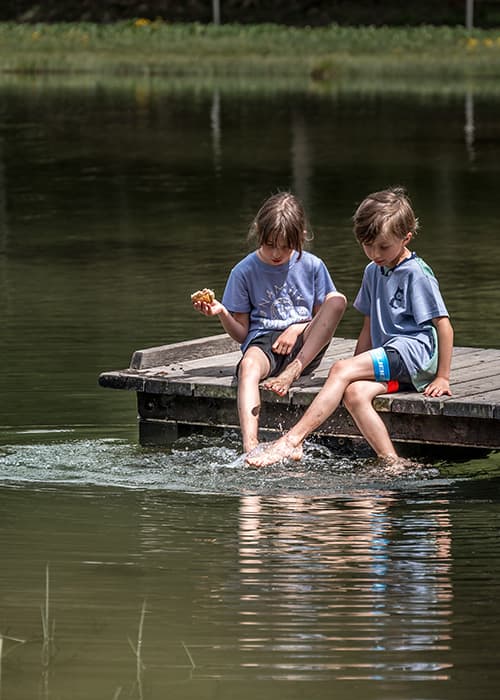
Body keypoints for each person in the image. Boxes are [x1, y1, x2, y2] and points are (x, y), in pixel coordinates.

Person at [246, 186, 454, 468]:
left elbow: (443, 325)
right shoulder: (373, 271)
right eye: (368, 245)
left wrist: (442, 377)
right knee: (355, 393)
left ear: (406, 237)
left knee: (340, 369)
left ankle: (292, 440)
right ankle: (392, 461)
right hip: (392, 360)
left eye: (383, 246)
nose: (374, 253)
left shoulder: (416, 273)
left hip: (412, 355)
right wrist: (356, 364)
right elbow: (368, 323)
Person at [192, 191, 347, 453]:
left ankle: (293, 371)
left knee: (338, 300)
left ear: (301, 236)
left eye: (286, 247)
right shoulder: (243, 271)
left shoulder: (313, 266)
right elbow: (242, 335)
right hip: (264, 342)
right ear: (258, 233)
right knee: (248, 366)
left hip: (305, 345)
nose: (277, 253)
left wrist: (296, 328)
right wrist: (222, 313)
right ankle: (250, 445)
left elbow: (324, 318)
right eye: (270, 244)